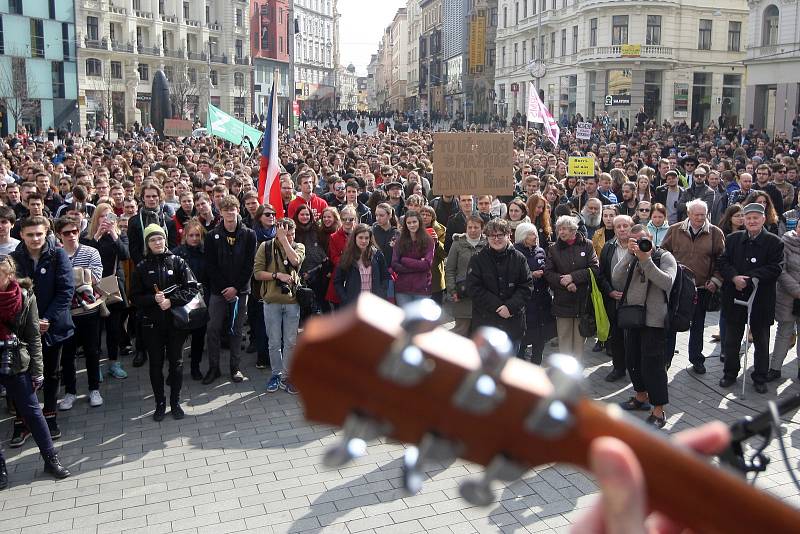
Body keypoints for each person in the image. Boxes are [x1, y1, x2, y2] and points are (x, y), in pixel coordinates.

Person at [0, 256, 70, 485]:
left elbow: (33, 335)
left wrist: (37, 370)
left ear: (9, 275)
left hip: (17, 361)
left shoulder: (24, 296)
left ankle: (51, 459)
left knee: (32, 411)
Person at [10, 216, 74, 443]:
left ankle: (50, 414)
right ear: (21, 235)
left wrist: (46, 319)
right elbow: (10, 295)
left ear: (47, 232)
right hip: (22, 330)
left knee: (51, 372)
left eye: (39, 234)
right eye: (30, 234)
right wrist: (29, 323)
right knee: (20, 375)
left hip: (53, 326)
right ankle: (23, 420)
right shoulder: (14, 259)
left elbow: (66, 290)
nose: (35, 238)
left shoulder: (58, 255)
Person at [130, 224, 200, 420]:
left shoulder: (177, 262)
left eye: (160, 238)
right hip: (152, 325)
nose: (157, 242)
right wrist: (153, 300)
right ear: (147, 244)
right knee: (155, 365)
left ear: (165, 239)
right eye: (152, 240)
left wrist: (171, 301)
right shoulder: (142, 267)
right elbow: (134, 297)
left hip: (175, 324)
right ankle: (159, 403)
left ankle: (175, 402)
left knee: (176, 364)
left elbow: (192, 288)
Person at [613, 224, 677, 429]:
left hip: (654, 320)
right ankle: (640, 396)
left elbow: (667, 282)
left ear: (650, 237)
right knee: (632, 359)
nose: (639, 243)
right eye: (634, 240)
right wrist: (629, 256)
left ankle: (658, 410)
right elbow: (616, 279)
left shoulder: (664, 257)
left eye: (642, 239)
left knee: (653, 365)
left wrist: (645, 259)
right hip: (633, 317)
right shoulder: (632, 256)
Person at [718, 203, 784, 394]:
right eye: (748, 218)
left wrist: (751, 278)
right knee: (732, 339)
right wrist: (733, 277)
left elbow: (776, 267)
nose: (752, 221)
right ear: (743, 220)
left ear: (763, 219)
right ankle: (730, 373)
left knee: (762, 341)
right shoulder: (732, 239)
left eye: (756, 218)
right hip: (734, 297)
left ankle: (760, 377)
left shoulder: (774, 242)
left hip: (761, 299)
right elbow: (723, 261)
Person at [661, 199, 725, 374]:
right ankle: (666, 360)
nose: (699, 218)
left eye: (702, 215)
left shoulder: (715, 233)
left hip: (702, 288)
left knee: (698, 325)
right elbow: (662, 254)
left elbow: (723, 261)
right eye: (696, 215)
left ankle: (696, 359)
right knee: (672, 324)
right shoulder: (674, 230)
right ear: (688, 214)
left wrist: (715, 281)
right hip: (678, 288)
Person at [202, 195, 257, 385]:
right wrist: (225, 287)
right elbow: (210, 266)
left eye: (232, 209)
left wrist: (236, 287)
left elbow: (249, 265)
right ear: (221, 212)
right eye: (226, 210)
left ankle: (235, 367)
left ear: (237, 210)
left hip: (241, 291)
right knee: (213, 328)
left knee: (236, 329)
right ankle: (214, 368)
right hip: (219, 291)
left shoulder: (249, 234)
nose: (230, 213)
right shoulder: (211, 236)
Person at [56, 216, 105, 410]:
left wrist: (69, 278)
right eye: (66, 233)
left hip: (88, 311)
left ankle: (94, 389)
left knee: (92, 351)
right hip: (66, 314)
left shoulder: (91, 251)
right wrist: (79, 277)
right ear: (60, 235)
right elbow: (56, 284)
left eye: (74, 232)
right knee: (67, 355)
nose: (71, 236)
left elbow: (94, 278)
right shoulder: (55, 255)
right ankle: (70, 391)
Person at [254, 218, 305, 395]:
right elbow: (257, 274)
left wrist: (284, 241)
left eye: (292, 234)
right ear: (277, 231)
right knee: (274, 342)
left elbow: (296, 261)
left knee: (290, 342)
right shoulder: (265, 247)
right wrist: (277, 276)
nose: (290, 238)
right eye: (286, 234)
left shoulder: (298, 246)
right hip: (271, 301)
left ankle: (289, 375)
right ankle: (276, 374)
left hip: (292, 302)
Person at [466, 218, 532, 351]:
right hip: (486, 324)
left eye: (500, 235)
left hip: (512, 324)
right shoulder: (477, 259)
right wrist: (498, 306)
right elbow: (474, 288)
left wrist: (510, 307)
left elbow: (526, 286)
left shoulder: (519, 258)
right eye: (492, 235)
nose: (496, 239)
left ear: (508, 235)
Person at [83, 204, 129, 380]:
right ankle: (95, 367)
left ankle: (113, 363)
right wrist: (96, 236)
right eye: (102, 217)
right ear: (96, 218)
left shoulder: (119, 235)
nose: (105, 220)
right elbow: (85, 256)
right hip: (93, 286)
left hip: (112, 285)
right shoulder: (88, 237)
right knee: (95, 329)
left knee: (113, 328)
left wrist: (113, 234)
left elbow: (125, 255)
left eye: (109, 216)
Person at [544, 215, 599, 360]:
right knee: (564, 338)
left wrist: (574, 277)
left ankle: (577, 372)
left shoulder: (587, 245)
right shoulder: (553, 249)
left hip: (583, 301)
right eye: (559, 229)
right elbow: (548, 273)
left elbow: (594, 268)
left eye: (565, 229)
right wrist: (566, 282)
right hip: (563, 301)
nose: (561, 232)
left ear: (574, 230)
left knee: (580, 340)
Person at [597, 215, 634, 382]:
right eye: (618, 226)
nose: (622, 229)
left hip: (636, 300)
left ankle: (635, 369)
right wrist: (610, 291)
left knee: (634, 337)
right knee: (617, 336)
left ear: (631, 227)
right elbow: (601, 275)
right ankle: (618, 368)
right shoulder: (608, 247)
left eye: (625, 226)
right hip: (615, 299)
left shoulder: (640, 246)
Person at [171, 220, 208, 380]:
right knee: (178, 338)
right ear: (185, 236)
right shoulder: (176, 254)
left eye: (197, 235)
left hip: (200, 299)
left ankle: (195, 367)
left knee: (199, 336)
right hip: (182, 299)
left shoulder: (206, 252)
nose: (194, 238)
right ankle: (175, 370)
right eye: (191, 235)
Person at [513, 223, 554, 364]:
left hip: (542, 301)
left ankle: (537, 364)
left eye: (535, 233)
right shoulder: (514, 253)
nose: (535, 236)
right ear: (522, 236)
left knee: (540, 339)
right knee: (524, 339)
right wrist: (531, 274)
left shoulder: (541, 251)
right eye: (531, 234)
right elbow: (513, 276)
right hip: (525, 303)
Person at [445, 215, 486, 337]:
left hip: (482, 297)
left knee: (479, 335)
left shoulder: (487, 244)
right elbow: (450, 269)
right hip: (462, 295)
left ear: (482, 229)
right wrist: (452, 291)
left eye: (476, 227)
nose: (473, 230)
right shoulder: (457, 244)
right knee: (461, 332)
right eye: (470, 227)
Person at [768, 226, 800, 381]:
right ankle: (775, 369)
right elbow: (781, 270)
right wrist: (797, 290)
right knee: (783, 334)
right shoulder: (786, 241)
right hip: (788, 296)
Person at [333, 224, 389, 305]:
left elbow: (385, 277)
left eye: (366, 238)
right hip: (354, 304)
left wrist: (381, 294)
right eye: (360, 237)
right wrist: (346, 298)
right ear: (355, 238)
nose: (363, 241)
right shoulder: (347, 256)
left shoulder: (377, 255)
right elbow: (338, 281)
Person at [391, 210, 435, 306]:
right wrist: (418, 264)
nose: (412, 225)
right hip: (403, 288)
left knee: (420, 320)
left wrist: (404, 260)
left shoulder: (428, 241)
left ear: (419, 222)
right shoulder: (399, 241)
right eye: (409, 223)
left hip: (422, 288)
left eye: (414, 222)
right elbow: (394, 265)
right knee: (406, 319)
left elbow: (427, 264)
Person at [420, 206, 447, 304]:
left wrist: (436, 243)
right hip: (417, 277)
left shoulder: (440, 230)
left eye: (428, 215)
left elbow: (444, 253)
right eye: (422, 214)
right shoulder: (413, 228)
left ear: (433, 217)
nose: (425, 217)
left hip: (435, 277)